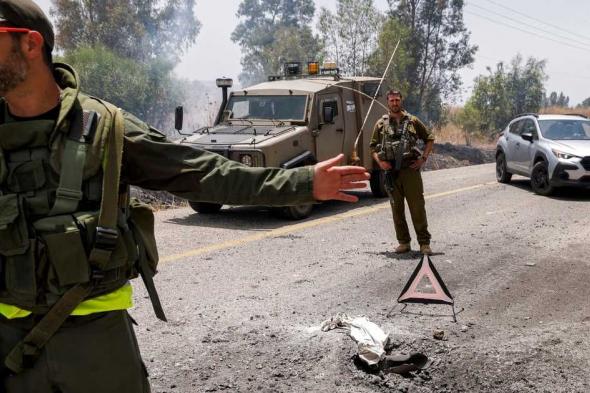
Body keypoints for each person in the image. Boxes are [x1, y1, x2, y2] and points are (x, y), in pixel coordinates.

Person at [0, 1, 370, 392]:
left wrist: (301, 183)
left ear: (30, 44)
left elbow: (203, 173)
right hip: (9, 344)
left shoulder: (105, 128)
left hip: (96, 342)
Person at [370, 89, 435, 255]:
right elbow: (373, 148)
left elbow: (429, 138)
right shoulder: (380, 124)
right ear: (387, 102)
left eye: (397, 100)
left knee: (417, 208)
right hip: (391, 173)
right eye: (391, 100)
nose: (394, 103)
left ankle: (424, 243)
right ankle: (404, 242)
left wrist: (423, 158)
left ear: (401, 100)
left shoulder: (413, 121)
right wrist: (380, 162)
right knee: (396, 210)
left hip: (410, 171)